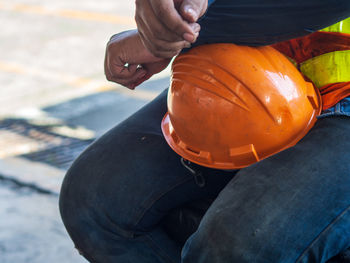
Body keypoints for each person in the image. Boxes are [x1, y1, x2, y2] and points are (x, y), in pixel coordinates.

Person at [59, 0, 350, 262]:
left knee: (236, 247)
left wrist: (172, 35)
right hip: (255, 66)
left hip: (339, 90)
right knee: (94, 202)